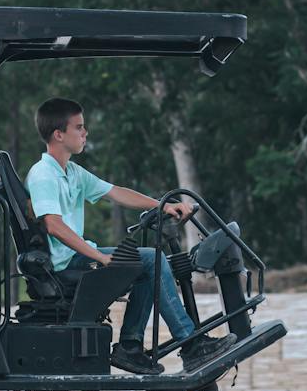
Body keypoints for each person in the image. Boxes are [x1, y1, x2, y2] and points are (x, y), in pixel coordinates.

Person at [25, 97, 230, 375]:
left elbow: (117, 192)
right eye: (79, 128)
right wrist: (100, 257)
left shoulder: (71, 172)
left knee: (149, 265)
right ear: (59, 134)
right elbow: (53, 226)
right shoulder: (43, 175)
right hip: (65, 266)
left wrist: (164, 205)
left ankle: (130, 348)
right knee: (151, 260)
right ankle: (191, 345)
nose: (85, 133)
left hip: (78, 257)